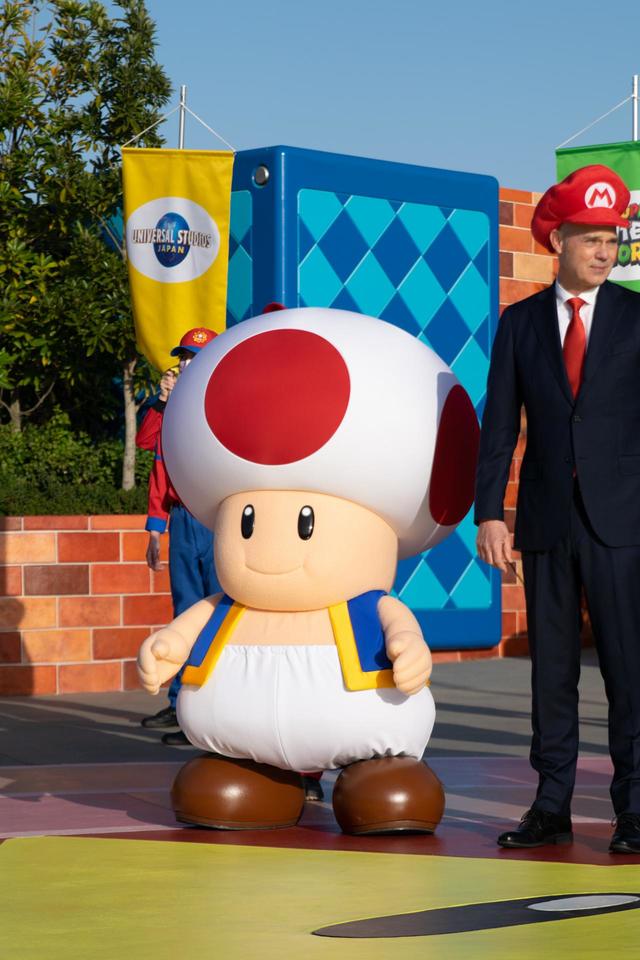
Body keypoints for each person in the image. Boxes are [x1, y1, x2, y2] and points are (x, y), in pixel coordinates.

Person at [475, 163, 640, 854]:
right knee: (551, 670)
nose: (605, 252)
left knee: (628, 667)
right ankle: (550, 806)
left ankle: (634, 811)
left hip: (623, 521)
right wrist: (489, 512)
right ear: (558, 240)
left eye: (613, 239)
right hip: (545, 519)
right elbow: (499, 424)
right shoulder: (520, 324)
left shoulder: (636, 316)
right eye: (592, 239)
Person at [138, 328, 221, 744]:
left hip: (216, 519)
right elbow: (149, 451)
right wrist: (156, 529)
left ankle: (213, 711)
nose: (186, 363)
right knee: (186, 612)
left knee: (220, 613)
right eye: (184, 356)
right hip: (184, 520)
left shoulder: (222, 401)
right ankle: (182, 706)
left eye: (195, 356)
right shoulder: (170, 407)